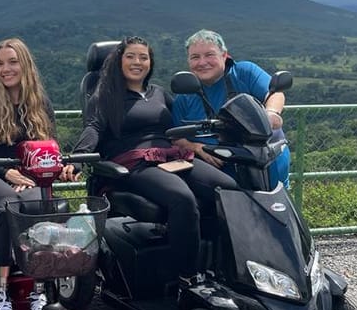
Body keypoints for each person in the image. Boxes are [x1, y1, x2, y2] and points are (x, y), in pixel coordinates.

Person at [72, 36, 236, 283]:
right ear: (118, 61)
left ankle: (224, 267)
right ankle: (188, 277)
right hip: (135, 162)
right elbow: (93, 127)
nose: (137, 62)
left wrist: (202, 143)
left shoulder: (158, 92)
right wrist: (77, 158)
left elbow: (180, 124)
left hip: (173, 157)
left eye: (143, 57)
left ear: (150, 62)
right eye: (130, 56)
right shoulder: (106, 95)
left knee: (229, 190)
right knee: (182, 199)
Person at [0, 38, 79, 310]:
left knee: (43, 206)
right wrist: (7, 172)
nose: (5, 69)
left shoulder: (39, 101)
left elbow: (51, 147)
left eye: (12, 62)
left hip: (30, 176)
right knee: (10, 207)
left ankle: (38, 290)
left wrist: (60, 167)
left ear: (25, 64)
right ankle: (0, 294)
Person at [172, 29, 291, 189]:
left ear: (224, 55)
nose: (202, 62)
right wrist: (198, 148)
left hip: (260, 154)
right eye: (195, 57)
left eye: (209, 55)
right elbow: (176, 137)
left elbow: (274, 93)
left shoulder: (244, 72)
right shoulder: (185, 95)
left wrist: (271, 114)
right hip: (217, 165)